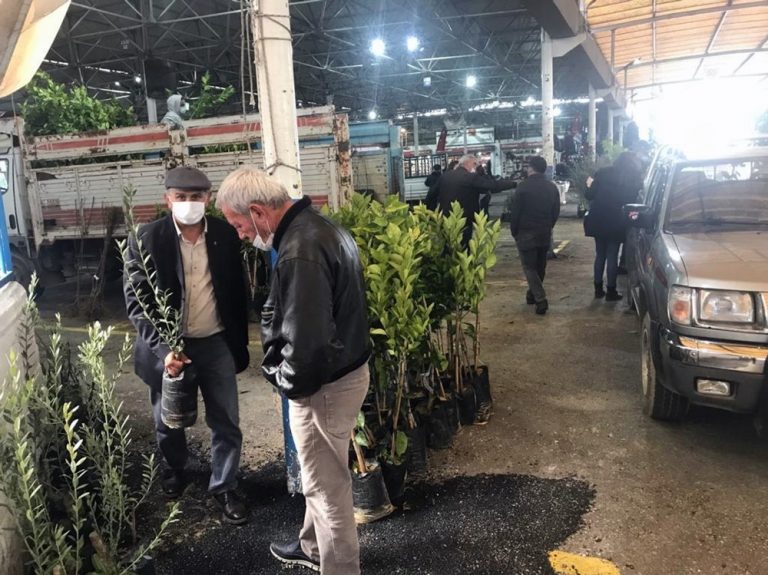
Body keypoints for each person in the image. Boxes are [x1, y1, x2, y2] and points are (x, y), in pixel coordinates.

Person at [215, 167, 371, 575]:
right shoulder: (317, 228)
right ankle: (312, 547)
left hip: (324, 386)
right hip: (344, 373)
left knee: (326, 489)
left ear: (257, 212)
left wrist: (288, 384)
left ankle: (340, 569)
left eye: (238, 225)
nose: (240, 235)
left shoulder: (300, 249)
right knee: (322, 472)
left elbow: (310, 343)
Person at [123, 166, 250, 524]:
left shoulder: (225, 234)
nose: (189, 203)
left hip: (215, 342)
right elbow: (137, 302)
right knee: (168, 420)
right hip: (169, 349)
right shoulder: (147, 238)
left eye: (196, 196)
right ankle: (174, 468)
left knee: (226, 419)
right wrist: (165, 351)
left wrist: (239, 340)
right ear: (168, 199)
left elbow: (237, 291)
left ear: (208, 199)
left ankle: (224, 485)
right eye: (181, 197)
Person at [584, 151, 644, 301]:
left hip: (598, 218)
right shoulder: (632, 178)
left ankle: (598, 289)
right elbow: (633, 202)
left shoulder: (603, 172)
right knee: (612, 255)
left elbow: (589, 195)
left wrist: (589, 185)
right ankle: (611, 291)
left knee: (600, 254)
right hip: (617, 220)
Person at [508, 156, 561, 315]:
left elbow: (515, 212)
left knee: (530, 268)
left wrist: (514, 231)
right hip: (544, 232)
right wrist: (549, 225)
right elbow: (555, 211)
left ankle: (540, 299)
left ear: (530, 168)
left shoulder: (523, 187)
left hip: (525, 232)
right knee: (540, 266)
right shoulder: (552, 187)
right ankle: (532, 294)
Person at [434, 154, 516, 246]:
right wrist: (513, 184)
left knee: (447, 245)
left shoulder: (445, 176)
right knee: (464, 246)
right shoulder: (470, 177)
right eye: (476, 164)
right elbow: (492, 185)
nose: (476, 168)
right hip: (464, 218)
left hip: (445, 217)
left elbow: (432, 194)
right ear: (471, 163)